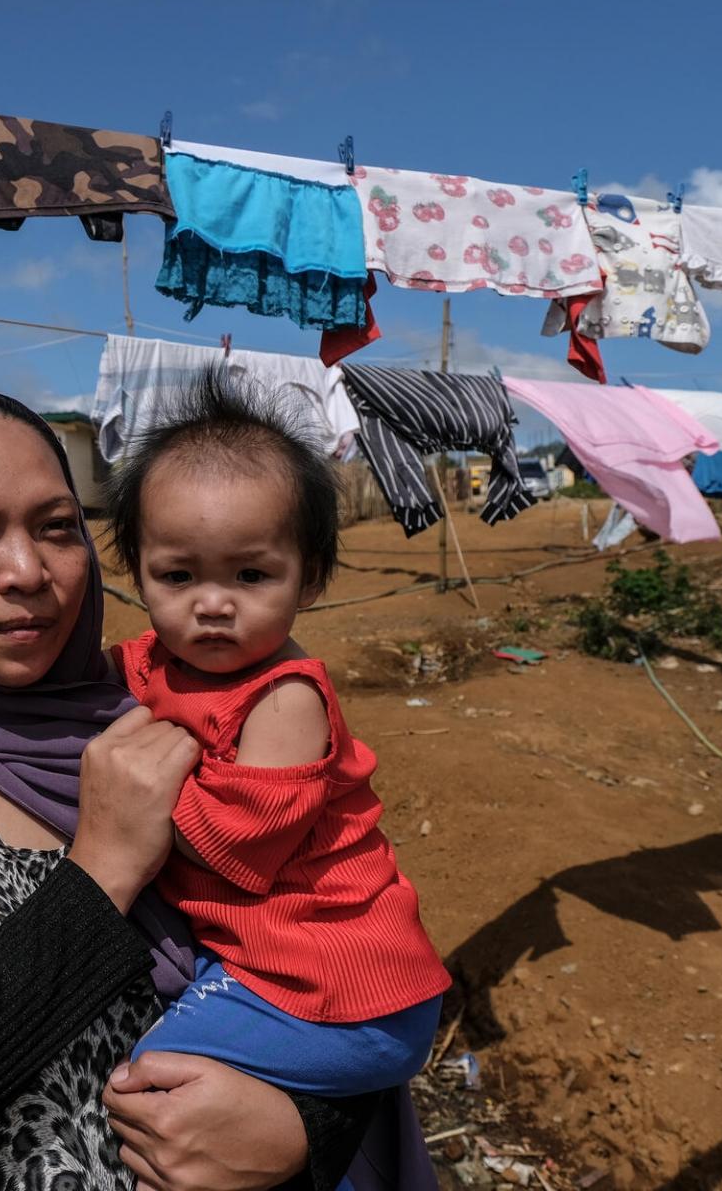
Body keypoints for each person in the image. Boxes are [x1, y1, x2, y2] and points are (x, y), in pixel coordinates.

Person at [0, 389, 391, 1191]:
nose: (28, 572)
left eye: (57, 527)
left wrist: (303, 1133)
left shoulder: (168, 730)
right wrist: (101, 873)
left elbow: (337, 975)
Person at [104, 373, 449, 1098]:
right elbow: (92, 687)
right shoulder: (160, 661)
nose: (213, 604)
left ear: (310, 579)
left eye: (252, 573)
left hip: (343, 992)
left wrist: (136, 787)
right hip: (274, 975)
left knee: (143, 1084)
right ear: (138, 571)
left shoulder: (284, 699)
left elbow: (236, 846)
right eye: (177, 575)